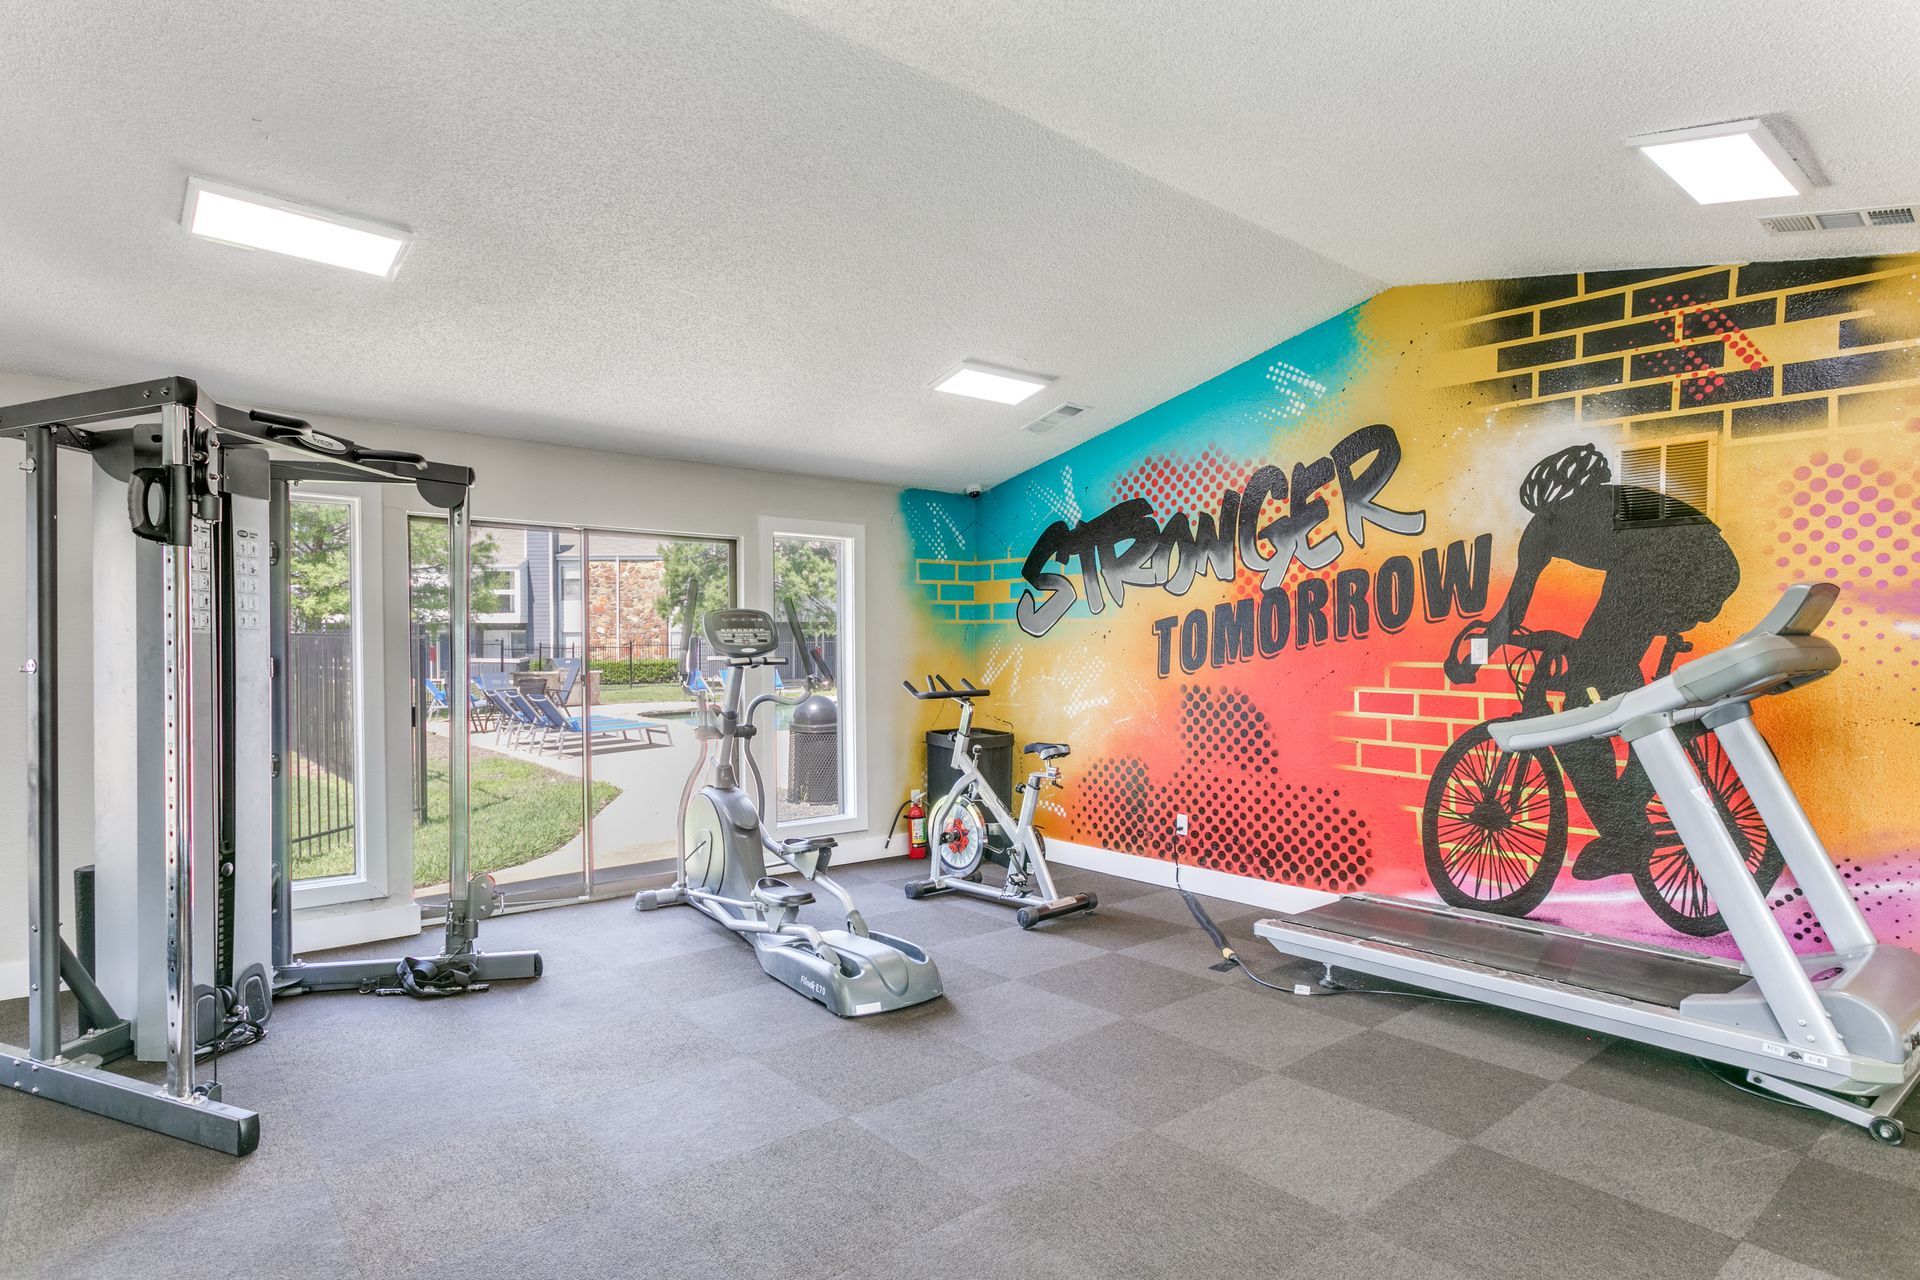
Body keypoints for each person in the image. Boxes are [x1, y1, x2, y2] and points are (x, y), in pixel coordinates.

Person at [1445, 443, 1740, 880]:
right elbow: (1513, 612)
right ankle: (1633, 792)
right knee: (1602, 676)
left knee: (1585, 696)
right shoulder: (1543, 532)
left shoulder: (1623, 507)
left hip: (1695, 567)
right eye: (1568, 509)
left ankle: (1626, 829)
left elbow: (1633, 596)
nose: (1587, 512)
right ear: (1549, 512)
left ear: (1598, 490)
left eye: (1591, 499)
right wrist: (1475, 657)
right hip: (1683, 571)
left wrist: (1477, 657)